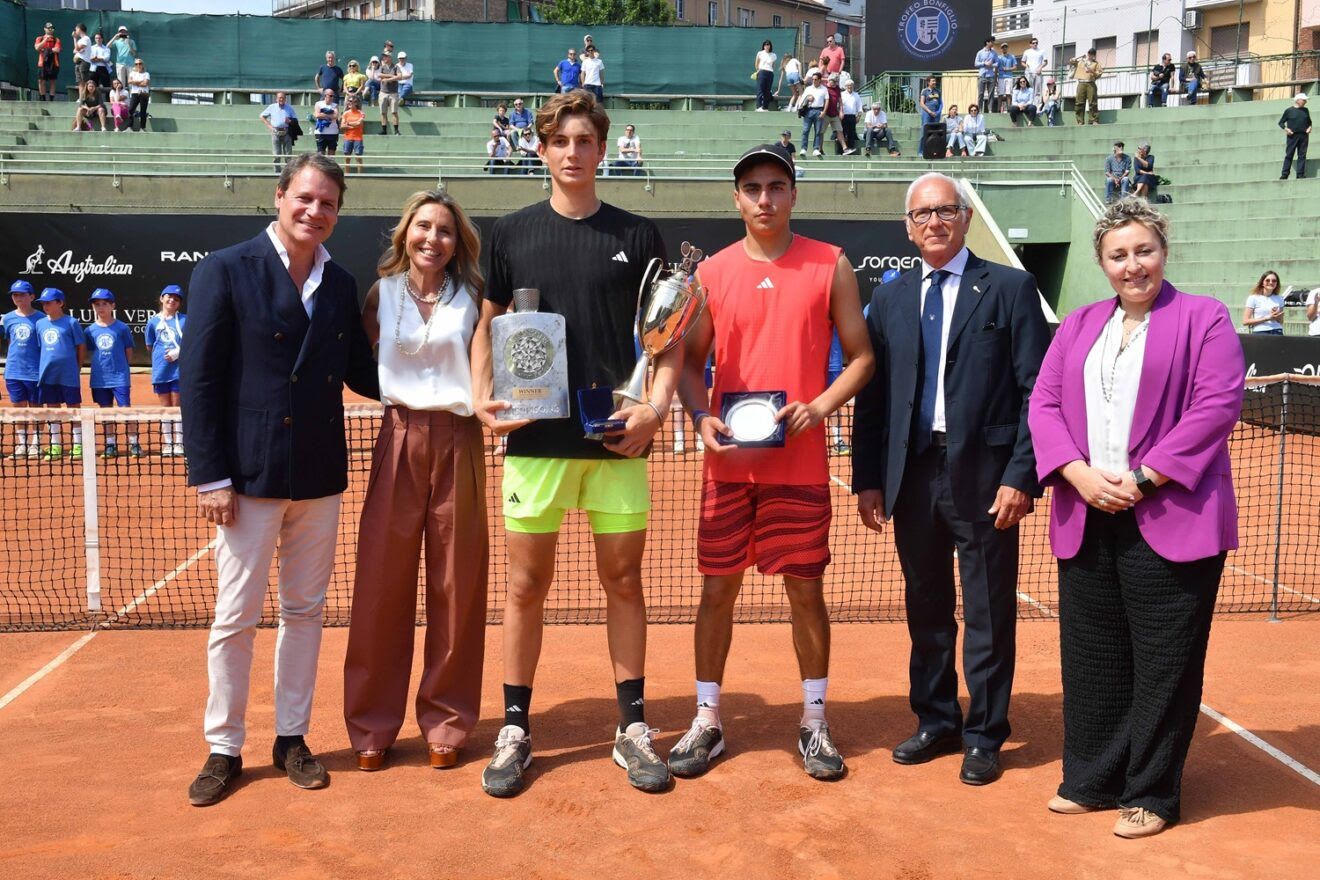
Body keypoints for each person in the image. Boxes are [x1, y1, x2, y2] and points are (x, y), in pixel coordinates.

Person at [470, 90, 677, 799]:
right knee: (526, 586)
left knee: (624, 581)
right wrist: (481, 396)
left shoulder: (639, 235)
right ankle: (515, 730)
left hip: (618, 441)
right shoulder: (510, 232)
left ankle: (633, 728)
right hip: (535, 443)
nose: (572, 152)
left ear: (603, 149)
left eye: (585, 140)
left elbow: (669, 338)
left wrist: (654, 410)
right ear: (540, 149)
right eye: (560, 141)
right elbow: (488, 325)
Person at [1027, 197, 1244, 838]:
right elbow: (1044, 404)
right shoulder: (1079, 323)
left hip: (1172, 512)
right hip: (1087, 508)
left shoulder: (1205, 318)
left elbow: (1215, 406)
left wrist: (1146, 479)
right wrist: (1077, 474)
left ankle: (1151, 792)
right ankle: (1092, 780)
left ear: (1163, 252)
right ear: (1102, 263)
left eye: (1143, 250)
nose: (1133, 265)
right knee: (1093, 656)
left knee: (1164, 661)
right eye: (1118, 255)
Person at [669, 143, 874, 782]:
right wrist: (698, 415)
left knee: (806, 592)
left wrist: (821, 406)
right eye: (753, 188)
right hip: (729, 466)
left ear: (793, 194)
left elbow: (862, 357)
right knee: (716, 590)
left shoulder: (830, 264)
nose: (765, 198)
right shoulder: (712, 274)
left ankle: (814, 721)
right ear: (737, 199)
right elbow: (690, 364)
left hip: (801, 466)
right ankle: (707, 719)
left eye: (776, 186)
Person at [180, 153, 379, 807]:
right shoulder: (224, 269)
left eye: (328, 204)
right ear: (279, 196)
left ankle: (291, 737)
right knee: (235, 616)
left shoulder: (340, 282)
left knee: (304, 613)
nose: (315, 211)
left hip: (318, 476)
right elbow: (199, 380)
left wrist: (446, 381)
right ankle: (224, 747)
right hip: (246, 476)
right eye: (305, 198)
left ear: (337, 214)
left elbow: (362, 372)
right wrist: (210, 475)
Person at [852, 172, 1050, 787]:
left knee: (989, 610)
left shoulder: (1011, 288)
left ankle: (985, 734)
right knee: (927, 606)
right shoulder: (889, 299)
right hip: (912, 477)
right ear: (908, 228)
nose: (933, 222)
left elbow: (1037, 393)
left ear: (964, 217)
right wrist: (867, 477)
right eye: (921, 214)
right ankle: (937, 719)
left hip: (987, 479)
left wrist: (1021, 475)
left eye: (944, 211)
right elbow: (874, 397)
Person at [343, 190, 489, 774]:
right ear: (406, 232)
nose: (433, 238)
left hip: (460, 439)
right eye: (423, 226)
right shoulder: (381, 294)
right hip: (397, 436)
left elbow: (488, 370)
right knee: (381, 583)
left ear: (458, 242)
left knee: (457, 586)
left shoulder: (474, 296)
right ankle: (371, 725)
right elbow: (356, 362)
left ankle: (447, 722)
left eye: (445, 230)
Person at [85, 288, 140, 459]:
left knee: (126, 410)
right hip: (99, 379)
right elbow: (91, 351)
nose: (100, 307)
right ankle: (110, 444)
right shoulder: (90, 331)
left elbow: (128, 351)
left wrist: (121, 368)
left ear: (112, 306)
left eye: (104, 304)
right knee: (106, 411)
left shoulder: (122, 328)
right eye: (97, 304)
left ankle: (134, 443)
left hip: (119, 377)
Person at [34, 287, 86, 460]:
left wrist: (77, 367)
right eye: (43, 303)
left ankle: (78, 445)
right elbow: (40, 348)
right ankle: (55, 445)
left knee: (74, 408)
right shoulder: (40, 324)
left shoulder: (71, 322)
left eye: (49, 303)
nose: (45, 306)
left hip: (68, 375)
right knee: (52, 409)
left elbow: (81, 347)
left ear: (60, 303)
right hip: (48, 374)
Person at [144, 284, 186, 455]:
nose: (172, 300)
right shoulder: (153, 322)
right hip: (161, 371)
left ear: (179, 303)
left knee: (177, 407)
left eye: (176, 299)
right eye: (169, 297)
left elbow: (192, 342)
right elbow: (150, 345)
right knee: (165, 407)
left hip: (179, 371)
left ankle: (179, 443)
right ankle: (168, 443)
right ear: (162, 298)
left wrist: (178, 352)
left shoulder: (185, 320)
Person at [3, 281, 42, 458]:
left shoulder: (42, 319)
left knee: (36, 409)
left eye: (22, 294)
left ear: (32, 296)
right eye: (15, 294)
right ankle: (23, 444)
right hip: (13, 371)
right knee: (18, 408)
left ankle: (36, 444)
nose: (18, 297)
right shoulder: (7, 318)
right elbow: (10, 341)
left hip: (35, 372)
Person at [261, 92, 297, 173]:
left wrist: (290, 121)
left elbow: (295, 120)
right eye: (280, 98)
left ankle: (288, 173)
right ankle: (276, 173)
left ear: (285, 99)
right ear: (276, 99)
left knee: (288, 155)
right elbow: (262, 116)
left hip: (287, 132)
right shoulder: (272, 107)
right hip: (275, 132)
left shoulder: (290, 108)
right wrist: (270, 127)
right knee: (276, 155)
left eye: (283, 98)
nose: (281, 99)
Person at [1278, 93, 1310, 180]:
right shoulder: (1289, 111)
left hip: (1304, 136)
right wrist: (1286, 129)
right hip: (1292, 136)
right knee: (1289, 154)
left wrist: (1309, 128)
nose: (1305, 102)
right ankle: (1285, 174)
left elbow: (1309, 122)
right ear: (1298, 100)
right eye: (1304, 100)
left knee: (1302, 155)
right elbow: (1281, 123)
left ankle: (1300, 174)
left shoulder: (1306, 110)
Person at [1242, 270, 1285, 335]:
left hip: (1277, 331)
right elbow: (1245, 321)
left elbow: (1281, 321)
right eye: (1267, 280)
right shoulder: (1253, 298)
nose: (1271, 282)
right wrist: (1267, 318)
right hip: (1260, 332)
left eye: (1274, 281)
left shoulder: (1279, 298)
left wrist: (1277, 317)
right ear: (1262, 282)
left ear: (1277, 283)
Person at [799, 71, 828, 159]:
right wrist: (807, 98)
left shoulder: (824, 89)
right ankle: (803, 149)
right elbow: (802, 99)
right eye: (813, 79)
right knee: (805, 130)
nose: (814, 81)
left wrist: (824, 112)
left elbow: (827, 100)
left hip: (819, 110)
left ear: (819, 80)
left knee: (818, 131)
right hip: (809, 110)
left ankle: (816, 149)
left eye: (815, 79)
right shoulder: (808, 89)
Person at [1072, 48, 1103, 126]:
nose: (1090, 55)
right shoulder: (1081, 61)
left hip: (1091, 83)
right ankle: (1080, 121)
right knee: (1079, 102)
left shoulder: (1096, 64)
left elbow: (1099, 74)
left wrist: (1091, 71)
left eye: (1092, 54)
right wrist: (1075, 59)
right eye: (1089, 53)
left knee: (1093, 102)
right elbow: (1072, 62)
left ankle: (1094, 120)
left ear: (1094, 55)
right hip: (1081, 83)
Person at [34, 22, 61, 103]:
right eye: (48, 28)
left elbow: (57, 49)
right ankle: (43, 99)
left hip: (53, 63)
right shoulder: (39, 38)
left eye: (51, 28)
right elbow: (37, 48)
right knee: (41, 81)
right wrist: (45, 40)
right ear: (44, 29)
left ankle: (51, 100)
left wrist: (45, 50)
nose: (50, 30)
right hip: (42, 63)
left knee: (53, 81)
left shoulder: (56, 39)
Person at [340, 95, 366, 174]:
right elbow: (342, 126)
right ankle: (347, 175)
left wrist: (348, 123)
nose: (350, 103)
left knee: (358, 158)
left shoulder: (361, 113)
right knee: (347, 158)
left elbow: (359, 123)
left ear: (356, 103)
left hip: (358, 138)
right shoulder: (345, 113)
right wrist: (352, 125)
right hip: (348, 138)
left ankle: (360, 176)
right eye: (349, 101)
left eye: (352, 101)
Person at [822, 73, 846, 156]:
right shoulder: (824, 88)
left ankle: (845, 148)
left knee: (839, 130)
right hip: (826, 114)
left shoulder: (837, 88)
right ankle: (820, 149)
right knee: (821, 132)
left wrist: (841, 111)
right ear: (829, 80)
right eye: (834, 82)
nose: (835, 84)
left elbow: (840, 100)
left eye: (837, 82)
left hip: (835, 113)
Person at [312, 88, 340, 157]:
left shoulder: (335, 105)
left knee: (331, 156)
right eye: (330, 96)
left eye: (333, 96)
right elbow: (317, 115)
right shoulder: (318, 104)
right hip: (321, 133)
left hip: (333, 133)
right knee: (320, 155)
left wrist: (323, 115)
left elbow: (336, 116)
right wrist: (330, 115)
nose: (332, 98)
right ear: (325, 95)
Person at [975, 38, 998, 119]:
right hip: (982, 75)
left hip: (991, 75)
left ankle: (990, 110)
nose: (993, 43)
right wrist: (984, 63)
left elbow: (997, 63)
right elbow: (976, 63)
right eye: (992, 42)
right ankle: (979, 110)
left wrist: (991, 65)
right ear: (987, 42)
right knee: (980, 94)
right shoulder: (980, 52)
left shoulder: (994, 53)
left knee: (991, 94)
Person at [378, 53, 401, 136]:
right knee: (383, 112)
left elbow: (399, 77)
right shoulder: (382, 67)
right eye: (383, 57)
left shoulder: (396, 67)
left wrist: (387, 80)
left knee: (394, 112)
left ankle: (396, 131)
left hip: (393, 93)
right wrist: (391, 76)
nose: (384, 58)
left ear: (390, 57)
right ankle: (384, 130)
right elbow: (379, 75)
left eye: (386, 57)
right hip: (383, 92)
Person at [108, 25, 136, 89]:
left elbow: (134, 54)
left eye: (124, 31)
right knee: (121, 82)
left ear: (126, 32)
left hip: (130, 64)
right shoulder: (117, 41)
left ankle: (131, 95)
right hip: (120, 64)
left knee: (131, 83)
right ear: (119, 33)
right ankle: (122, 94)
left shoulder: (131, 41)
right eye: (121, 32)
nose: (123, 33)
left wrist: (128, 43)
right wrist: (115, 37)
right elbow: (107, 46)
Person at [840, 80, 864, 154]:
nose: (849, 87)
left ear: (853, 86)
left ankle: (851, 148)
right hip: (843, 116)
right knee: (843, 132)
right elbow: (839, 105)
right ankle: (842, 149)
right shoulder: (841, 94)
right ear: (845, 86)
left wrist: (858, 116)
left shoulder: (856, 95)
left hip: (852, 116)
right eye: (848, 85)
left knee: (851, 133)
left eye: (851, 85)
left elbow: (859, 107)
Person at [127, 58, 151, 132]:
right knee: (131, 109)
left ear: (143, 65)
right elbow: (129, 81)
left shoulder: (146, 74)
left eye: (140, 63)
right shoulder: (132, 73)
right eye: (136, 64)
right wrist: (140, 81)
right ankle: (129, 127)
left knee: (143, 111)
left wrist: (134, 82)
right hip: (134, 93)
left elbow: (145, 84)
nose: (138, 65)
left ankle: (142, 128)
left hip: (143, 93)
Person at [753, 40, 777, 111]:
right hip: (762, 72)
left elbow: (773, 65)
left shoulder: (773, 55)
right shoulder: (760, 53)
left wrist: (771, 71)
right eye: (765, 44)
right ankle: (759, 107)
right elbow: (756, 63)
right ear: (763, 46)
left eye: (768, 44)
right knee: (760, 89)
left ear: (770, 46)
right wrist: (758, 71)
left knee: (768, 90)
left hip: (770, 73)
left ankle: (765, 107)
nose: (767, 46)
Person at [996, 43, 1018, 113]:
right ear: (1001, 49)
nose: (1004, 48)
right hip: (1000, 77)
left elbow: (1015, 67)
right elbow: (996, 68)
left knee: (1008, 94)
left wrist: (1007, 69)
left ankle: (1009, 110)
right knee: (1000, 94)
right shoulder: (998, 57)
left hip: (1009, 77)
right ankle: (998, 110)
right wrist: (995, 77)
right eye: (1003, 47)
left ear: (1007, 48)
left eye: (1005, 47)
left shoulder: (1012, 56)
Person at [72, 23, 91, 87]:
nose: (75, 31)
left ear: (79, 29)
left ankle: (86, 93)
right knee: (80, 82)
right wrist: (78, 50)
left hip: (84, 62)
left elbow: (77, 48)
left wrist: (75, 38)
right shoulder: (80, 40)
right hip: (78, 63)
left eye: (76, 29)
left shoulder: (86, 38)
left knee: (85, 81)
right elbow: (74, 50)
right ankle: (81, 94)